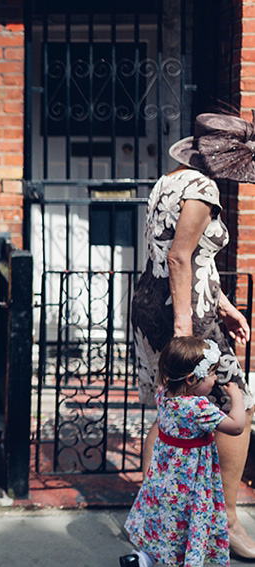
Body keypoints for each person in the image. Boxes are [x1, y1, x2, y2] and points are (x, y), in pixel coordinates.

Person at [131, 112, 255, 559]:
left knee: (171, 406)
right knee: (235, 398)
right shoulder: (204, 188)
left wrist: (225, 306)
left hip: (153, 301)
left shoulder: (170, 179)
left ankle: (154, 517)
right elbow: (181, 257)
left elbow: (182, 254)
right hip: (183, 311)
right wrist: (186, 327)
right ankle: (228, 521)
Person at [120, 336, 247, 567]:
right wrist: (237, 398)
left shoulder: (164, 394)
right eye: (211, 374)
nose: (215, 379)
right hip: (190, 483)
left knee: (166, 522)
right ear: (191, 379)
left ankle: (143, 559)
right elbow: (237, 426)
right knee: (188, 523)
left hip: (165, 478)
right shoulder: (198, 408)